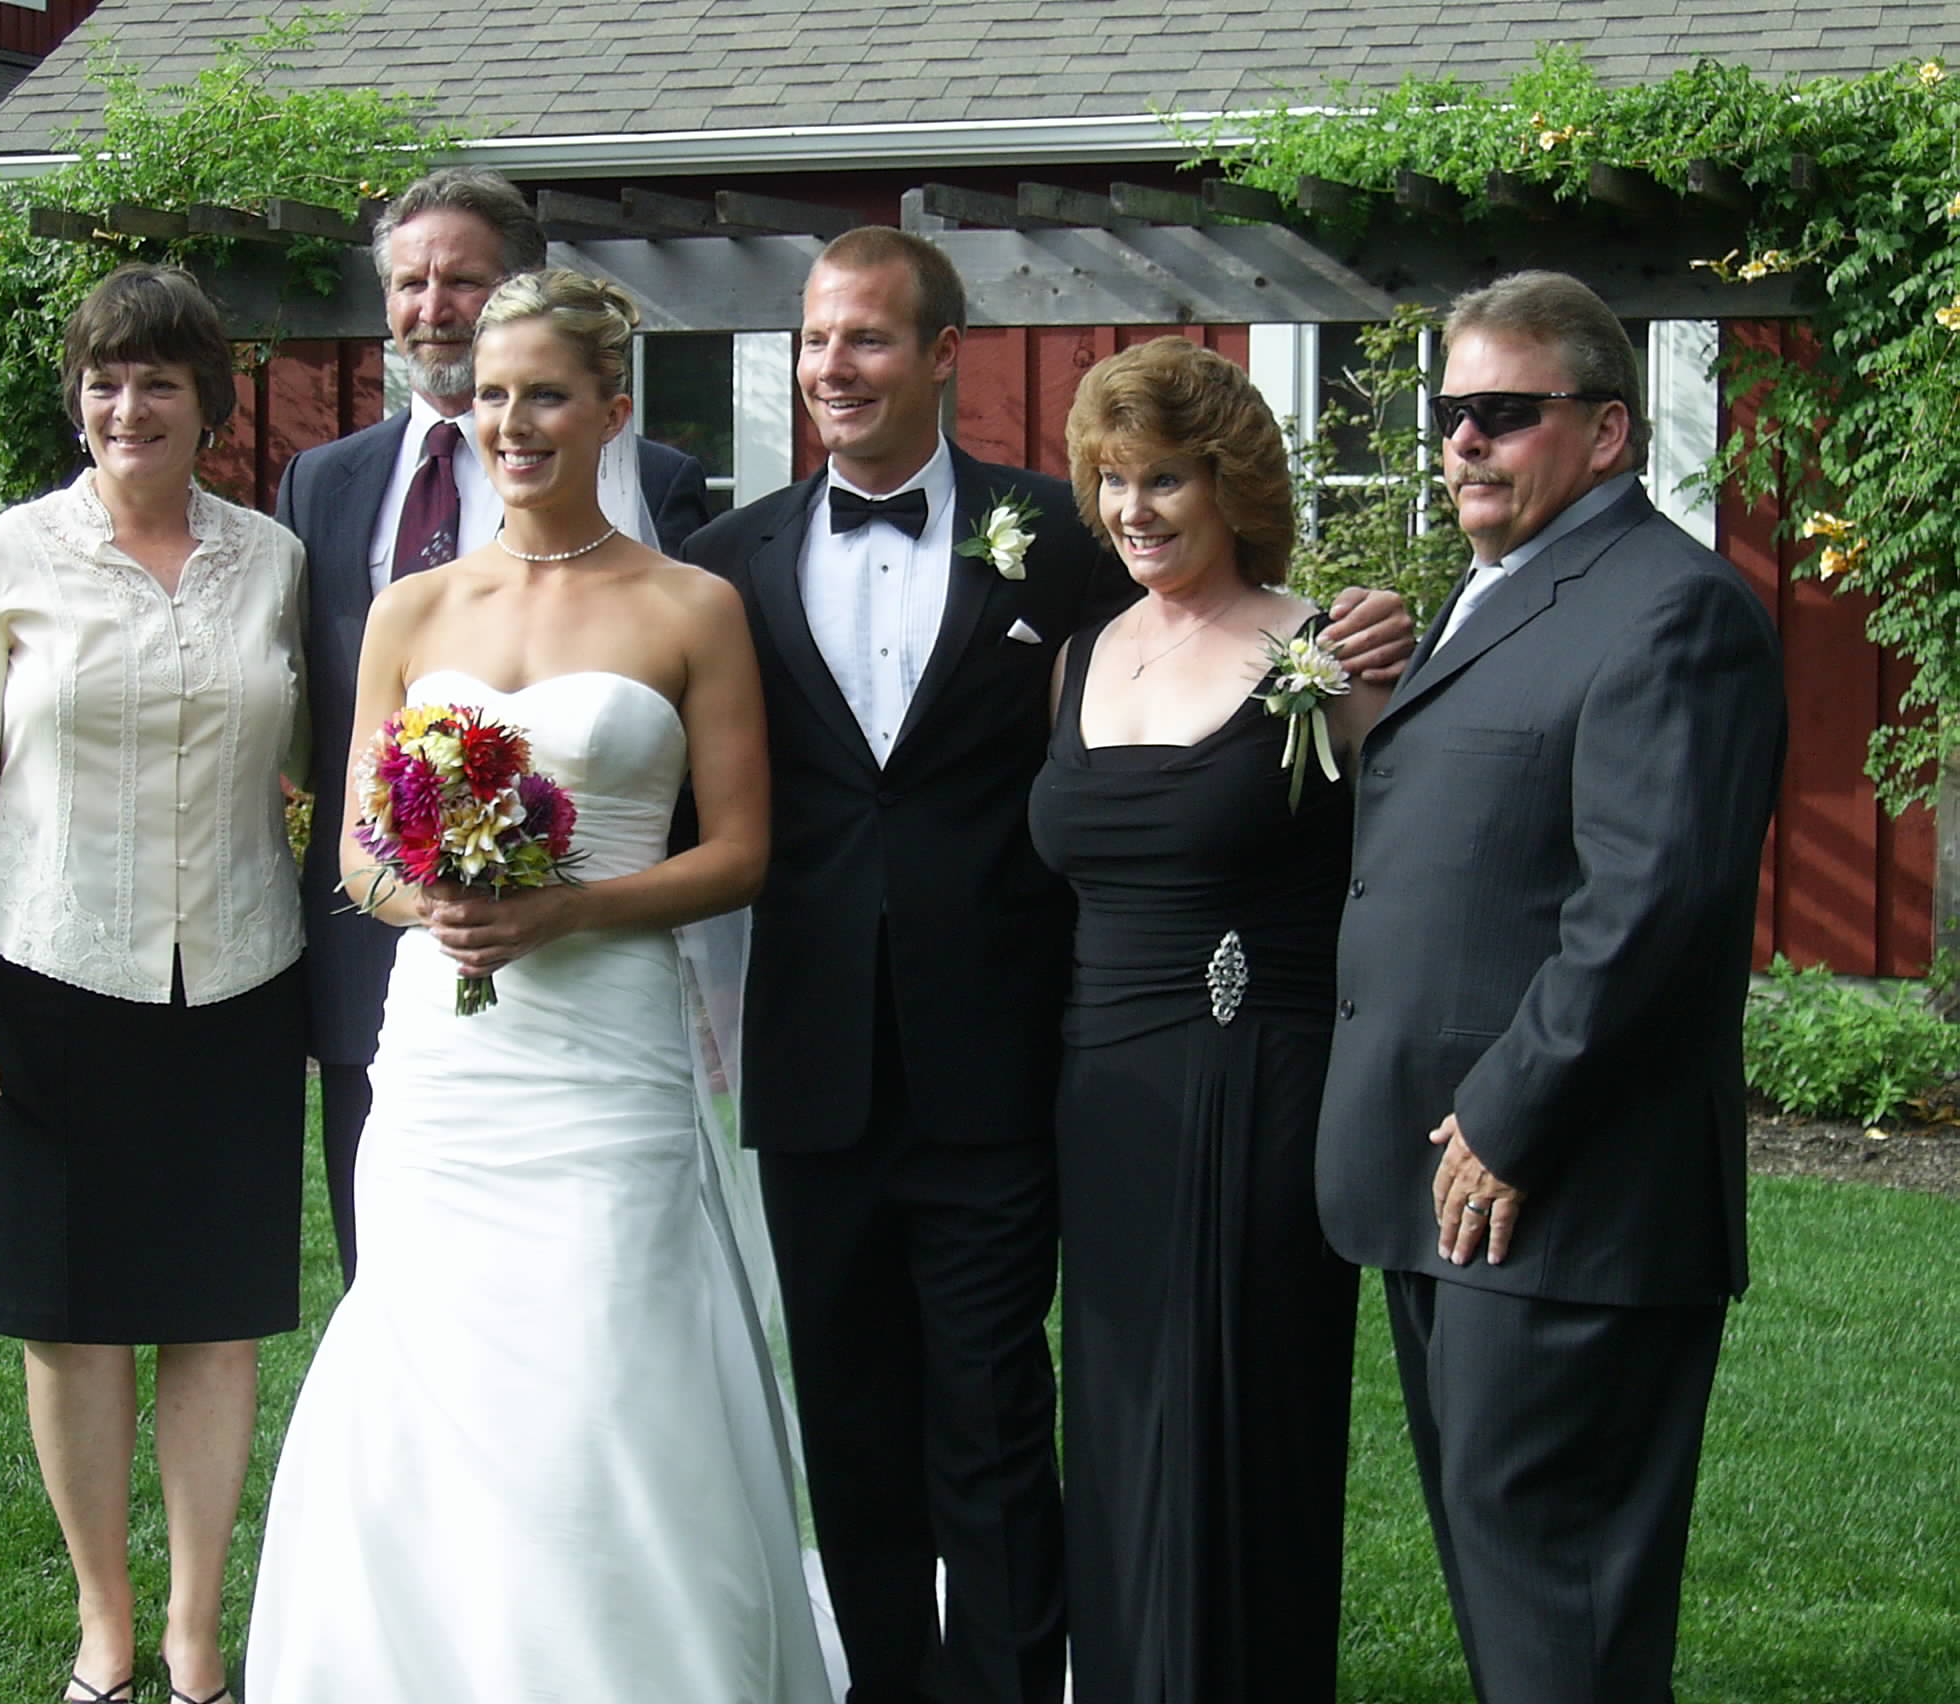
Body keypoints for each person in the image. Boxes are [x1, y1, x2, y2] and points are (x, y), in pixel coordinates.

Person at [684, 228, 1412, 1704]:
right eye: (816, 338)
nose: (835, 365)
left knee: (999, 1412)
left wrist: (1362, 628)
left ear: (943, 354)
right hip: (814, 1066)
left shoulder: (1061, 538)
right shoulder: (724, 568)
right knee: (852, 1425)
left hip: (1010, 1061)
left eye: (868, 337)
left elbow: (1217, 648)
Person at [245, 268, 830, 1703]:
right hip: (445, 1066)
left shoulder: (690, 607)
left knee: (604, 1362)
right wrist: (434, 900)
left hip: (607, 1053)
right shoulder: (410, 609)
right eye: (495, 396)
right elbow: (359, 857)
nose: (513, 423)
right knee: (437, 1364)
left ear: (612, 410)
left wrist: (573, 909)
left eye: (547, 396)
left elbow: (742, 854)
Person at [1315, 270, 1786, 1704]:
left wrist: (1507, 1121)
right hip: (1448, 1185)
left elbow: (1652, 908)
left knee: (1558, 1607)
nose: (1463, 439)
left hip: (1565, 1189)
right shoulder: (1491, 594)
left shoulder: (1673, 611)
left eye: (1506, 412)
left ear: (1607, 432)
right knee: (1511, 1592)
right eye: (1449, 410)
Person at [0, 263, 308, 1704]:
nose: (129, 406)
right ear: (79, 397)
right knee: (68, 1319)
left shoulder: (274, 562)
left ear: (209, 403)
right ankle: (105, 1630)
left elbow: (327, 743)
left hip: (240, 979)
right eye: (105, 380)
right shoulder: (6, 557)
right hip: (48, 976)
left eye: (158, 382)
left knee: (215, 1313)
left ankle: (194, 1634)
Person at [1029, 336, 1394, 1701]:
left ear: (1232, 486)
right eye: (1113, 480)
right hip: (1103, 1095)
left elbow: (1415, 877)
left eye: (1166, 478)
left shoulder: (1328, 653)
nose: (1134, 510)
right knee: (1120, 1412)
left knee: (1245, 1406)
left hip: (1259, 1087)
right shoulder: (1079, 657)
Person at [278, 165, 712, 1282]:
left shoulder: (666, 502)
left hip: (604, 1006)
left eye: (461, 281)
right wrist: (431, 900)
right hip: (401, 978)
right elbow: (336, 753)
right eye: (409, 282)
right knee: (402, 1287)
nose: (432, 307)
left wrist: (576, 902)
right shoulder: (320, 485)